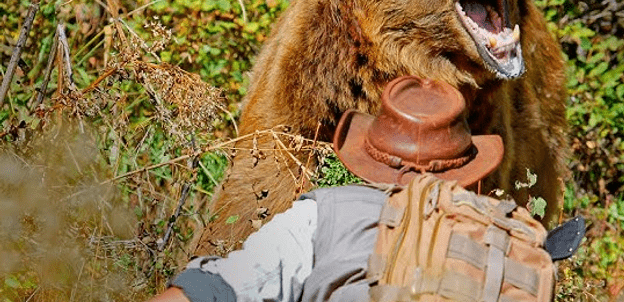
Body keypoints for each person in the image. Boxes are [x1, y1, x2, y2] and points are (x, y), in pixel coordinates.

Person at [147, 76, 523, 302]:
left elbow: (214, 291)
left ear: (369, 153)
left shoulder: (323, 216)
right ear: (470, 170)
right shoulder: (507, 239)